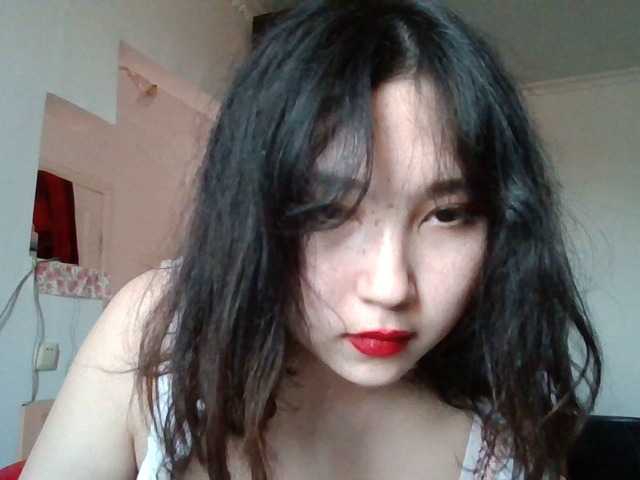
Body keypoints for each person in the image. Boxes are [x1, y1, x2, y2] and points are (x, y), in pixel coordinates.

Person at [21, 1, 602, 479]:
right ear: (254, 208)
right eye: (328, 211)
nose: (390, 287)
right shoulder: (156, 337)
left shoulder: (510, 447)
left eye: (448, 215)